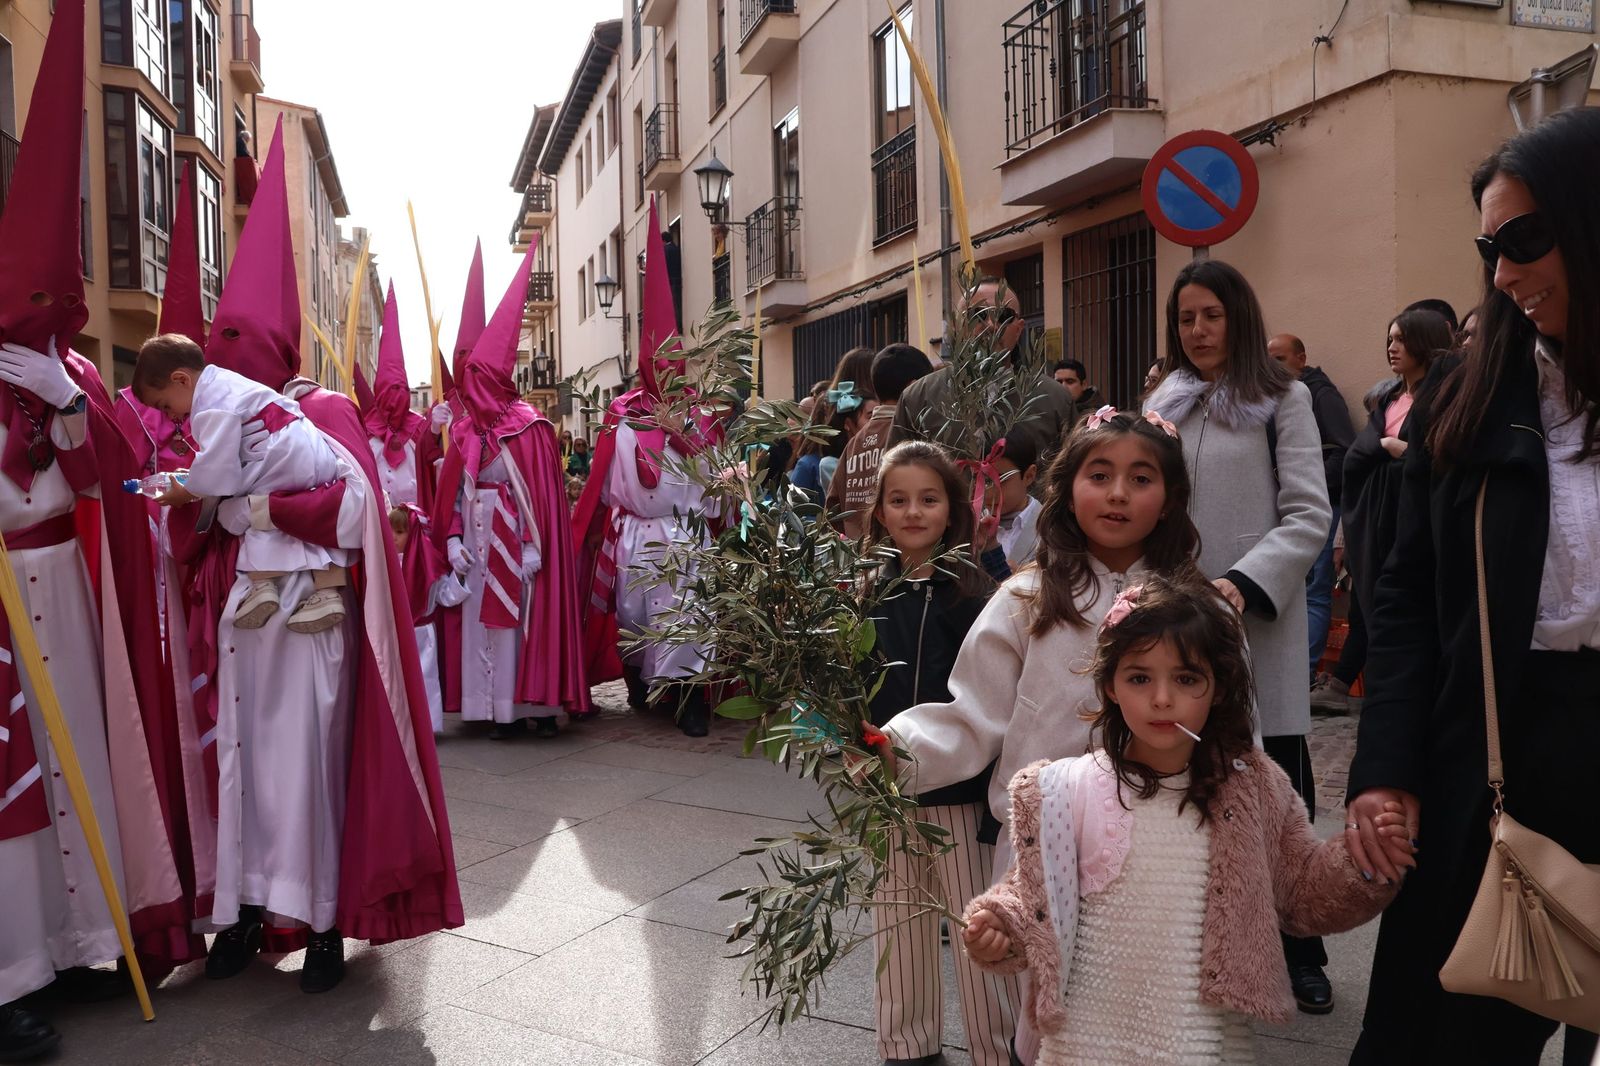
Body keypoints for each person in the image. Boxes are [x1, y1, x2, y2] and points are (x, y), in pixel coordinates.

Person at [179, 116, 461, 995]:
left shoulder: (323, 413)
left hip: (314, 619)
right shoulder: (226, 418)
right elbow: (204, 515)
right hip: (247, 620)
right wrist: (206, 508)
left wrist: (252, 505)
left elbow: (353, 515)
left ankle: (329, 922)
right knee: (248, 771)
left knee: (305, 774)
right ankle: (250, 913)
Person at [1346, 107, 1600, 1066]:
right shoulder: (1470, 396)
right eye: (1490, 247)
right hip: (1493, 755)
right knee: (1441, 1042)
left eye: (1527, 239)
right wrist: (1382, 772)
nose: (1502, 273)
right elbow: (1405, 603)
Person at [961, 575, 1406, 1065]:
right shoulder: (1065, 789)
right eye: (1140, 677)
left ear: (1217, 688)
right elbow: (1031, 897)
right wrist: (998, 926)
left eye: (1187, 678)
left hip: (1202, 1044)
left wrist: (1364, 861)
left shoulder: (1252, 787)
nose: (1162, 699)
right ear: (1109, 685)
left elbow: (1303, 891)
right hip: (1088, 1042)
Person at [0, 2, 208, 1049]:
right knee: (16, 787)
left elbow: (115, 468)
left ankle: (88, 942)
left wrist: (69, 401)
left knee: (80, 757)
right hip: (2, 603)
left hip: (67, 602)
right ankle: (13, 967)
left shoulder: (72, 370)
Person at [1145, 259, 1336, 1014]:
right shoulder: (1163, 402)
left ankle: (1303, 947)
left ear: (1240, 320)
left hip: (1255, 627)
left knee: (1277, 796)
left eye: (1212, 316)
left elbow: (1309, 514)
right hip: (1171, 628)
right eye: (1187, 318)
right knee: (1183, 785)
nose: (1198, 331)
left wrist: (1244, 582)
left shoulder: (1282, 399)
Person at [861, 441, 1013, 1066]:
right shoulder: (866, 590)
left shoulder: (977, 593)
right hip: (887, 786)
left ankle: (997, 1047)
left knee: (977, 923)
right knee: (896, 918)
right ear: (880, 511)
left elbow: (996, 694)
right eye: (899, 500)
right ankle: (906, 1045)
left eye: (929, 498)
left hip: (961, 791)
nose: (913, 511)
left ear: (953, 507)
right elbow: (849, 677)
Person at [432, 241, 589, 741]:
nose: (471, 383)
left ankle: (525, 706)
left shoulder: (531, 427)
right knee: (481, 623)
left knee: (520, 625)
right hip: (477, 546)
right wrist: (452, 538)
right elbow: (454, 493)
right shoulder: (463, 431)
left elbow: (539, 501)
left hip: (517, 544)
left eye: (479, 373)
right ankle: (485, 709)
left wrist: (532, 546)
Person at [134, 334, 350, 635]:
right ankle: (328, 592)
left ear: (181, 380)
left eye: (165, 405)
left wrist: (185, 490)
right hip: (312, 452)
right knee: (312, 523)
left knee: (240, 512)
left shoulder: (209, 403)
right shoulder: (229, 382)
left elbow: (217, 468)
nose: (171, 415)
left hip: (279, 459)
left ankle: (262, 586)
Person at [1312, 309, 1454, 713]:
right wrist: (1387, 449)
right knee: (1372, 611)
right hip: (1375, 527)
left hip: (1415, 524)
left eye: (1401, 340)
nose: (1392, 348)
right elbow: (1359, 454)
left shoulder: (1441, 396)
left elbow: (1437, 457)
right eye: (1389, 339)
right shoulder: (1390, 398)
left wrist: (1400, 453)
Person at [890, 279, 1074, 466]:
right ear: (957, 327)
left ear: (1018, 329)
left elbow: (1069, 478)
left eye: (1003, 315)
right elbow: (894, 477)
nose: (991, 325)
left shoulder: (1055, 399)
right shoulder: (918, 399)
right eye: (977, 315)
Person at [1267, 333, 1357, 677]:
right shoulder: (1276, 397)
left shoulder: (1321, 395)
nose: (1271, 367)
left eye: (1279, 360)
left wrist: (1311, 487)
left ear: (1301, 359)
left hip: (1323, 507)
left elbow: (1344, 448)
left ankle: (1301, 672)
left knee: (1316, 592)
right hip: (1295, 507)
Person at [360, 286, 440, 513]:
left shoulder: (419, 432)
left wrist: (436, 430)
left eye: (402, 388)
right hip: (380, 526)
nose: (397, 396)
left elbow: (433, 459)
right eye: (390, 389)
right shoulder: (367, 435)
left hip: (417, 523)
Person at [992, 430, 1041, 570]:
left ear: (1029, 476)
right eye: (983, 480)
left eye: (1001, 480)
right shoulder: (968, 527)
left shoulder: (1051, 530)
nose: (989, 493)